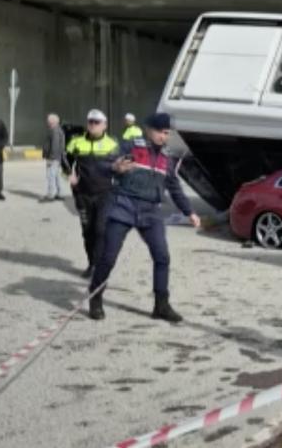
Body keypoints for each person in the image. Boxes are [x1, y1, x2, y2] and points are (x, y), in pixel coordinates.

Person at [88, 112, 201, 323]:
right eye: (160, 132)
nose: (164, 137)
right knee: (108, 258)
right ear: (148, 129)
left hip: (150, 212)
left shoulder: (166, 157)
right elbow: (101, 165)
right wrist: (115, 168)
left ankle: (161, 305)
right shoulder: (130, 146)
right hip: (124, 207)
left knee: (162, 257)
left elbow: (174, 188)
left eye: (167, 133)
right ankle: (95, 298)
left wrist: (190, 212)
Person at [66, 109, 119, 277]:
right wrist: (69, 174)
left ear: (105, 125)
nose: (93, 125)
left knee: (101, 229)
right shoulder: (76, 142)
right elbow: (64, 159)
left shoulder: (113, 144)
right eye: (90, 122)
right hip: (83, 194)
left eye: (97, 122)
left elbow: (121, 168)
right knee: (87, 231)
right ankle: (92, 263)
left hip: (105, 194)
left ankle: (99, 265)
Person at [41, 113, 66, 202]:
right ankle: (60, 193)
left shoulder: (54, 131)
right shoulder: (58, 130)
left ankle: (51, 194)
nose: (47, 121)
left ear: (53, 121)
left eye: (49, 120)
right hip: (57, 157)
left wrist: (51, 158)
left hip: (53, 158)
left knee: (51, 176)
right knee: (57, 176)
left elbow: (55, 145)